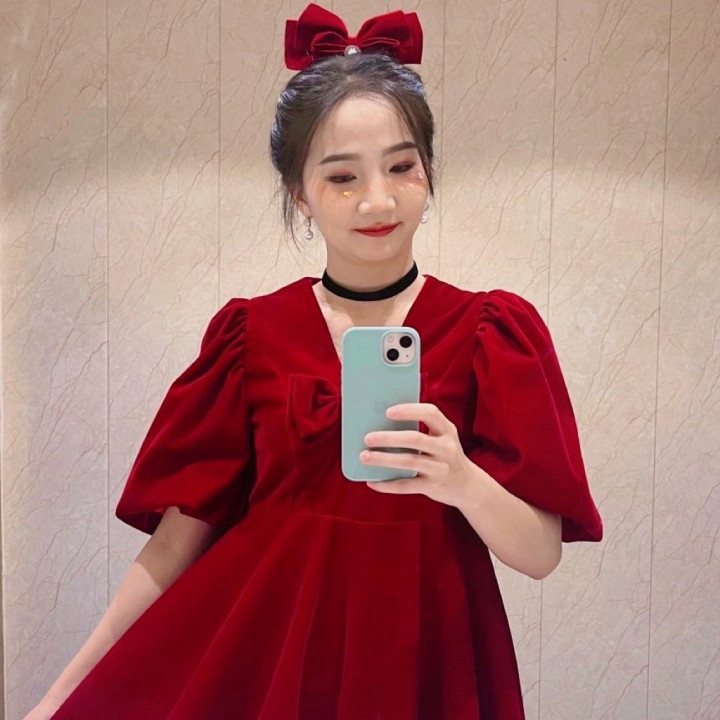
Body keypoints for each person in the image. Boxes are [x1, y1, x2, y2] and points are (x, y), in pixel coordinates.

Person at [25, 4, 602, 719]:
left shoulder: (492, 333)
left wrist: (460, 479)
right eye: (343, 177)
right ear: (299, 192)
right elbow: (176, 545)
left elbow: (541, 553)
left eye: (402, 166)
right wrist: (61, 695)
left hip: (429, 655)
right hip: (273, 660)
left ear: (429, 171)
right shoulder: (249, 338)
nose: (378, 200)